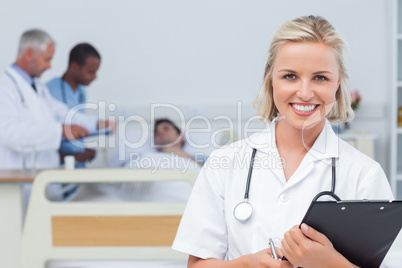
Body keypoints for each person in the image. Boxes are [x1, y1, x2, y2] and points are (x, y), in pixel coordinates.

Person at [172, 15, 397, 267]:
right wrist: (249, 263)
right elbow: (197, 265)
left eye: (320, 77)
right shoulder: (223, 163)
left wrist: (329, 263)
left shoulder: (364, 174)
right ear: (271, 79)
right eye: (290, 76)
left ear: (338, 82)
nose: (304, 92)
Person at [47, 43, 110, 167]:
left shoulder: (81, 92)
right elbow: (44, 133)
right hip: (55, 166)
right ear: (75, 66)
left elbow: (78, 128)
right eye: (91, 72)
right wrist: (67, 156)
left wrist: (82, 151)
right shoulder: (49, 91)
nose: (95, 77)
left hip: (75, 166)